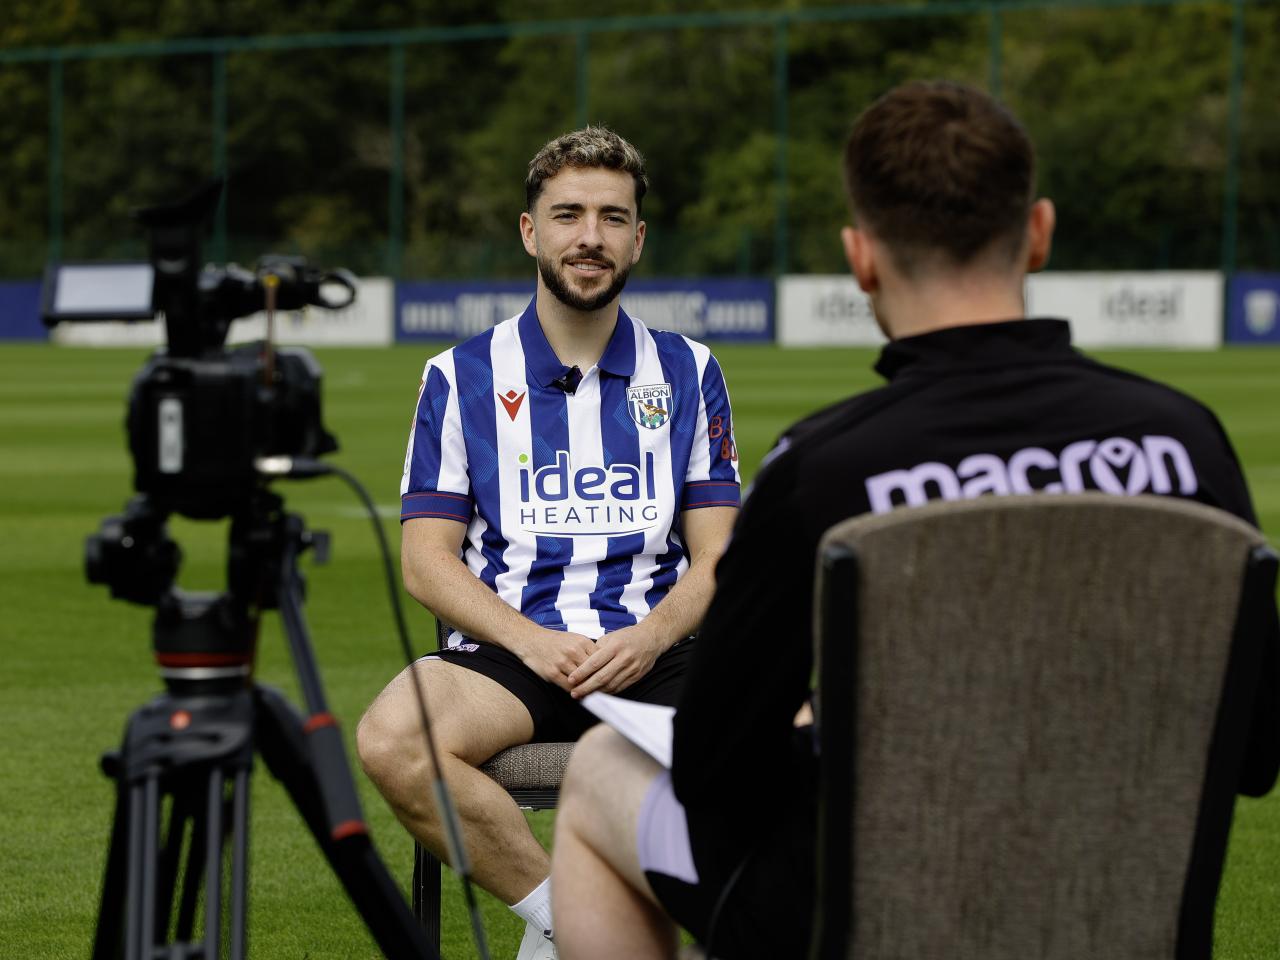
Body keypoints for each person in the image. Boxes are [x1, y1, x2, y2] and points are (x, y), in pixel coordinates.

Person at [549, 80, 1280, 959]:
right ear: (1039, 233)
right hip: (1114, 904)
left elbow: (715, 769)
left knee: (598, 770)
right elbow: (1252, 752)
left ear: (861, 258)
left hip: (883, 914)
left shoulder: (823, 468)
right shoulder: (1186, 440)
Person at [355, 125, 740, 960]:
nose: (590, 236)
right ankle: (572, 922)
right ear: (531, 231)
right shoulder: (459, 375)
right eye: (568, 215)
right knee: (392, 736)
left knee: (804, 736)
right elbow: (426, 561)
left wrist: (650, 637)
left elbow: (719, 559)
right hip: (511, 654)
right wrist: (532, 641)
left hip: (656, 651)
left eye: (612, 217)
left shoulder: (689, 371)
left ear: (638, 238)